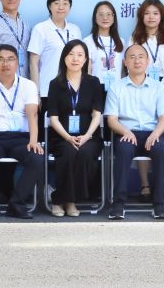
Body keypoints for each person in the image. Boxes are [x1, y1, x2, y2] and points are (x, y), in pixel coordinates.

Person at [0, 44, 44, 221]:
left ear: (18, 62)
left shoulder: (28, 85)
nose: (6, 63)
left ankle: (17, 203)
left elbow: (32, 115)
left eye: (10, 59)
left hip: (21, 138)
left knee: (36, 157)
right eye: (1, 59)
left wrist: (33, 141)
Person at [105, 44, 164, 220]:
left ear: (148, 61)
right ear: (125, 62)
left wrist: (155, 134)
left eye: (141, 57)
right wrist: (125, 132)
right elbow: (112, 120)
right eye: (132, 57)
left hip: (152, 133)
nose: (137, 60)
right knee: (123, 150)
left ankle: (160, 205)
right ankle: (118, 204)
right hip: (127, 132)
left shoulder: (159, 87)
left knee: (161, 151)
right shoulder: (116, 87)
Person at [46, 40, 105, 217]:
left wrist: (87, 136)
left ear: (86, 59)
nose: (75, 59)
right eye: (71, 54)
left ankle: (66, 199)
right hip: (62, 137)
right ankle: (64, 201)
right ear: (64, 58)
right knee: (68, 152)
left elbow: (97, 114)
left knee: (85, 153)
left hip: (89, 136)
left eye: (80, 55)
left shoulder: (93, 82)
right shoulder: (55, 84)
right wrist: (67, 137)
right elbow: (53, 118)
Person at [127, 0, 164, 200]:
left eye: (155, 13)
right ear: (141, 16)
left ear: (161, 16)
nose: (151, 17)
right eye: (147, 13)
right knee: (142, 133)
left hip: (163, 90)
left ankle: (160, 187)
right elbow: (130, 64)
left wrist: (159, 88)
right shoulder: (135, 37)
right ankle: (145, 184)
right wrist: (144, 86)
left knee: (159, 140)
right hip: (139, 91)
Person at [28, 0, 81, 102]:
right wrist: (36, 93)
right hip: (47, 91)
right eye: (56, 3)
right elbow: (33, 63)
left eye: (65, 3)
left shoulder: (75, 30)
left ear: (70, 6)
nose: (61, 7)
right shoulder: (40, 29)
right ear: (49, 6)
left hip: (72, 90)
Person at [84, 0, 124, 91]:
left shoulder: (121, 41)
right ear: (95, 18)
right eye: (101, 14)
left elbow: (122, 70)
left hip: (117, 87)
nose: (105, 18)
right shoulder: (88, 41)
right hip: (96, 87)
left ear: (114, 18)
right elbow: (87, 71)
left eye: (109, 14)